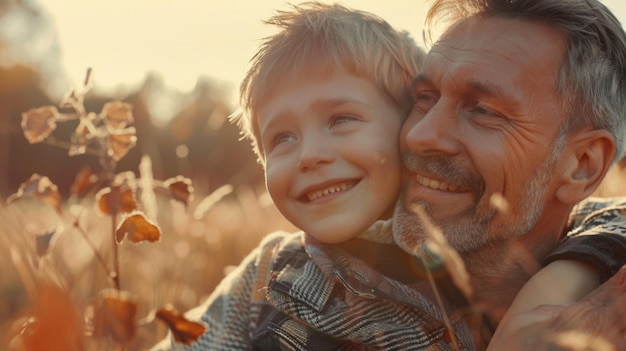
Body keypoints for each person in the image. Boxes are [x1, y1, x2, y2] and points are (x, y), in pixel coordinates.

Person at [152, 1, 626, 350]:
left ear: (583, 164)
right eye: (424, 98)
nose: (421, 134)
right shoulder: (277, 278)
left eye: (482, 109)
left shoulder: (603, 314)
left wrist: (570, 274)